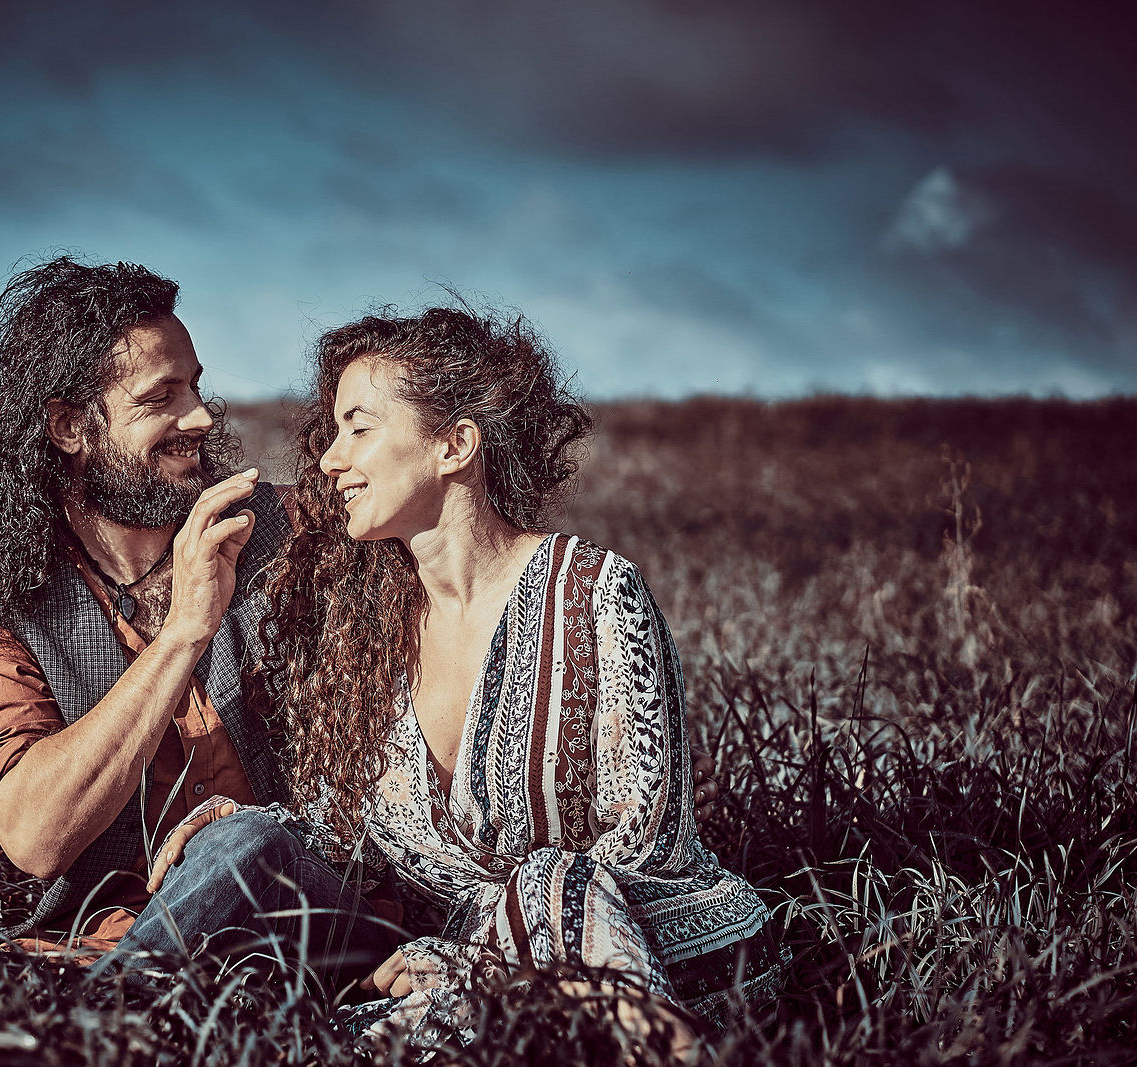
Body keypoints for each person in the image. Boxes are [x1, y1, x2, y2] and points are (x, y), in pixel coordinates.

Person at [0, 255, 723, 983]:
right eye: (160, 398)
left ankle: (86, 1018)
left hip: (330, 911)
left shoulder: (292, 534)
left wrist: (575, 589)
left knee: (243, 848)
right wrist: (185, 630)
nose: (200, 418)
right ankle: (114, 992)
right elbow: (35, 835)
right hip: (111, 935)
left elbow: (454, 543)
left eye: (196, 386)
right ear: (69, 427)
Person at [150, 305, 785, 1048]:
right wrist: (253, 826)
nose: (329, 462)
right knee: (347, 1020)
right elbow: (356, 841)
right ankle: (88, 1022)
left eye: (359, 429)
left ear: (454, 445)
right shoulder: (364, 628)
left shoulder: (594, 591)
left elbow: (648, 849)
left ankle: (653, 1039)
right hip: (461, 969)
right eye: (332, 433)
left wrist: (480, 953)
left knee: (551, 877)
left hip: (664, 948)